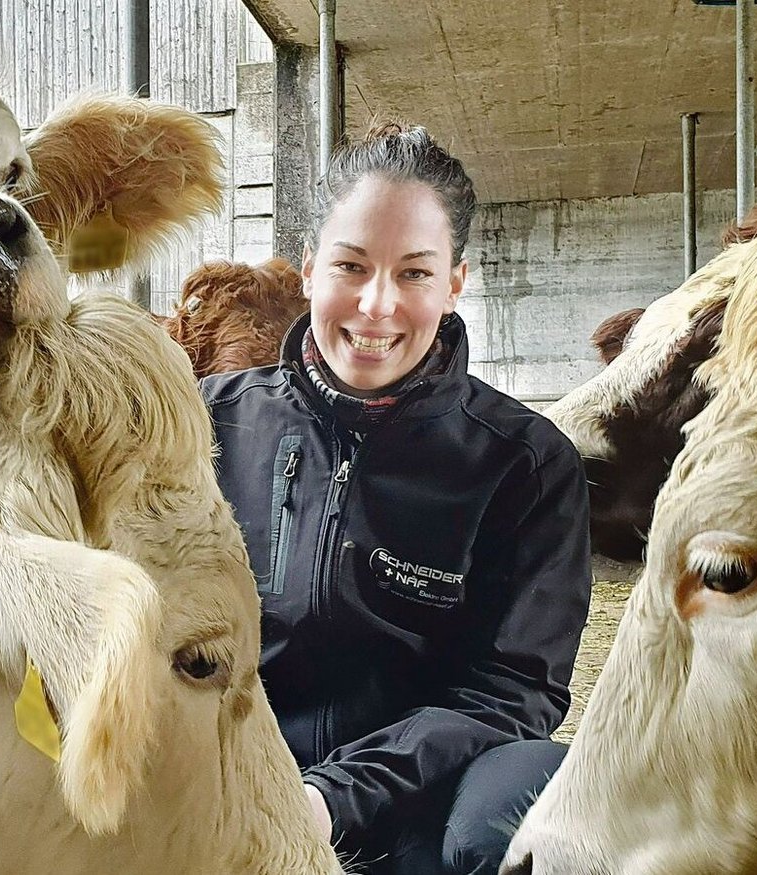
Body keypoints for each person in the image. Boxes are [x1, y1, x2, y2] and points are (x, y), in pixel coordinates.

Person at [200, 121, 592, 875]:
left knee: (532, 787)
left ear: (455, 282)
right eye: (351, 265)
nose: (377, 306)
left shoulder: (527, 464)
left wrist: (327, 796)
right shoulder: (206, 422)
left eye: (414, 273)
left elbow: (513, 693)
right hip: (222, 783)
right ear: (310, 269)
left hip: (417, 808)